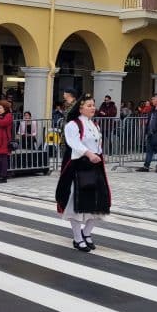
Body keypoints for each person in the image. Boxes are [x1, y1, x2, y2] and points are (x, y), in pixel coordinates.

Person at [54, 95, 110, 252]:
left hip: (94, 166)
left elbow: (97, 145)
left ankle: (86, 233)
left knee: (99, 202)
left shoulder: (95, 124)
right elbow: (75, 143)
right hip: (79, 166)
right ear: (80, 108)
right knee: (76, 203)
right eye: (89, 105)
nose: (93, 108)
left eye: (93, 105)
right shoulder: (73, 124)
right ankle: (77, 237)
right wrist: (89, 154)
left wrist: (97, 155)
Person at [136, 93, 157, 172]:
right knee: (149, 150)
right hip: (150, 133)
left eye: (153, 99)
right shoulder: (152, 109)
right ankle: (146, 166)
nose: (152, 100)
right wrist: (147, 131)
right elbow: (149, 121)